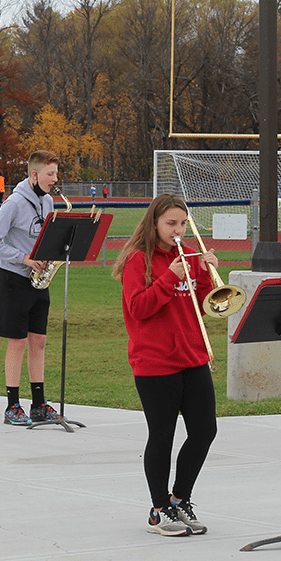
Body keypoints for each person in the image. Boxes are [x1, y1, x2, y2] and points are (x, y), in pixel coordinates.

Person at [112, 193, 219, 538]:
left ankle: (179, 499)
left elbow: (203, 306)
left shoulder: (186, 256)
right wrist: (169, 278)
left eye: (183, 224)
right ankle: (158, 510)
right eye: (171, 224)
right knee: (162, 435)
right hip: (155, 360)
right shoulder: (137, 260)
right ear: (154, 223)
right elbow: (139, 309)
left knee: (205, 430)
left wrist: (204, 273)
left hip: (192, 355)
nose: (178, 230)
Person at [0, 150, 61, 427]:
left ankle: (38, 403)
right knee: (18, 342)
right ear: (34, 175)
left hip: (39, 279)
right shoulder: (14, 203)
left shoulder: (49, 201)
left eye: (56, 173)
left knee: (39, 340)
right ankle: (12, 405)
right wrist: (24, 258)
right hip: (14, 278)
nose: (55, 178)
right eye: (50, 174)